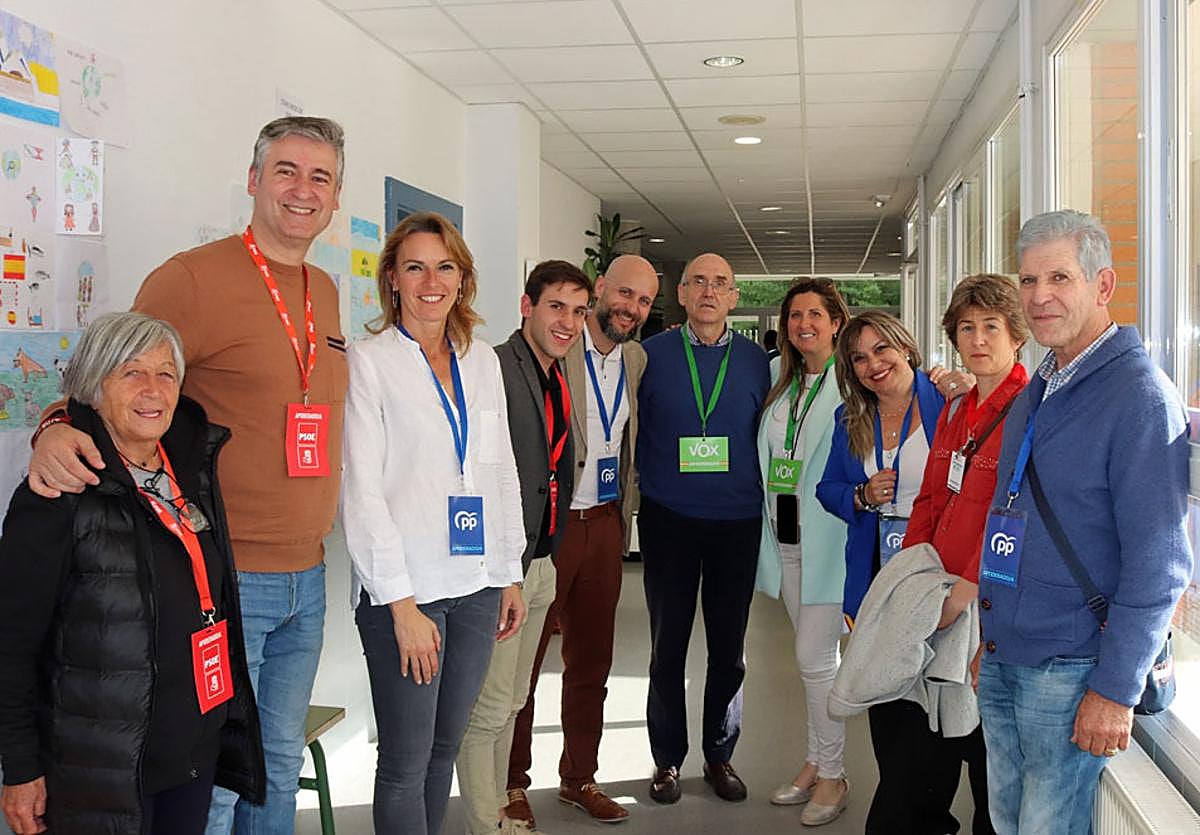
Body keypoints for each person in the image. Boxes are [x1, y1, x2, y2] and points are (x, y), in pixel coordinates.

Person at [27, 116, 347, 835]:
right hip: (227, 574)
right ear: (254, 181)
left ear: (335, 196)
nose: (303, 190)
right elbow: (110, 376)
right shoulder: (194, 277)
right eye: (287, 171)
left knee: (275, 766)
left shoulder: (324, 291)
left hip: (309, 574)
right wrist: (54, 427)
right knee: (220, 781)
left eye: (320, 176)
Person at [0, 312, 264, 835]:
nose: (153, 390)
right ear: (93, 387)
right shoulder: (58, 491)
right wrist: (21, 768)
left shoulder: (192, 472)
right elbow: (11, 643)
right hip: (101, 770)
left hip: (190, 754)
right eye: (131, 373)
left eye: (166, 374)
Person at [976, 210, 1191, 834]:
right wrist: (991, 641)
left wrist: (1117, 689)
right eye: (1028, 280)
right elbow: (1009, 517)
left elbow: (1162, 564)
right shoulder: (1041, 384)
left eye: (1060, 278)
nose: (1040, 297)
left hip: (1071, 670)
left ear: (1103, 286)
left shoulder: (1139, 397)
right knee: (1007, 822)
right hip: (1007, 655)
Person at [342, 211, 527, 835]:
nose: (431, 280)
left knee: (444, 751)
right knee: (404, 761)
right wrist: (400, 606)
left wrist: (507, 572)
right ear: (392, 278)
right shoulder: (369, 363)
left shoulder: (481, 361)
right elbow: (362, 492)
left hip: (475, 587)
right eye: (414, 266)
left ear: (462, 278)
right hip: (408, 593)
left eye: (444, 266)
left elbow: (499, 468)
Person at [871, 273, 1030, 835]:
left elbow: (1015, 523)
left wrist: (965, 592)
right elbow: (932, 498)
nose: (979, 339)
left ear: (1017, 334)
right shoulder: (959, 408)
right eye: (967, 327)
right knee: (918, 753)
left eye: (992, 326)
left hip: (986, 614)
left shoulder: (1027, 411)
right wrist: (914, 575)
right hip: (936, 597)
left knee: (990, 772)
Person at [504, 254, 659, 828]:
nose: (631, 308)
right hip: (550, 527)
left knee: (591, 663)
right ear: (601, 289)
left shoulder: (637, 359)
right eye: (623, 294)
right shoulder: (554, 346)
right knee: (522, 666)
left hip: (606, 523)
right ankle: (511, 782)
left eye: (643, 301)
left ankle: (578, 778)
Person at [456, 260, 590, 835]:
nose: (568, 322)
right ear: (526, 305)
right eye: (556, 306)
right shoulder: (494, 367)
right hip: (502, 568)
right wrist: (500, 565)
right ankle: (485, 823)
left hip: (542, 559)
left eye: (579, 311)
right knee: (487, 708)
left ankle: (500, 811)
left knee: (514, 698)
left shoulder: (555, 372)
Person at [636, 253, 770, 805]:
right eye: (698, 282)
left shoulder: (759, 361)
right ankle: (667, 760)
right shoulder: (649, 356)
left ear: (734, 297)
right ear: (682, 295)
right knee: (667, 645)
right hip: (668, 517)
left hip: (737, 520)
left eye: (721, 284)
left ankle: (720, 754)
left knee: (728, 648)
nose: (709, 291)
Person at [754, 279, 852, 826]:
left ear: (836, 321)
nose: (804, 324)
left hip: (828, 540)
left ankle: (835, 775)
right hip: (783, 537)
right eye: (794, 315)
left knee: (815, 662)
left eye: (815, 314)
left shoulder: (852, 378)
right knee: (811, 662)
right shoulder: (778, 379)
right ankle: (816, 760)